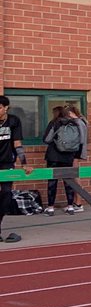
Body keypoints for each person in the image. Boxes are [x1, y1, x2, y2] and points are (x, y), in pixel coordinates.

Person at [0, 95, 33, 241]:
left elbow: (17, 144)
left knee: (6, 194)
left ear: (5, 107)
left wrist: (24, 163)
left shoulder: (13, 121)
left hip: (7, 163)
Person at [43, 105, 86, 215]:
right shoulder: (74, 124)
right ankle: (70, 206)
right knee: (69, 181)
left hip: (53, 156)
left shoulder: (54, 123)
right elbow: (81, 140)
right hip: (68, 156)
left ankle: (51, 207)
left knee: (52, 181)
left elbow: (47, 139)